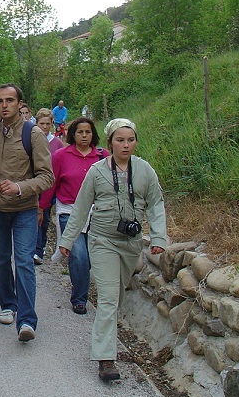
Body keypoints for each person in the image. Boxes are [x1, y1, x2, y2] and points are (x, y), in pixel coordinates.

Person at [58, 118, 166, 381]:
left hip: (130, 244)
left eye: (130, 140)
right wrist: (67, 240)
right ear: (110, 143)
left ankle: (106, 345)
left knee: (115, 297)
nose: (125, 145)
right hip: (102, 241)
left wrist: (159, 237)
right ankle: (106, 358)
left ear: (135, 142)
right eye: (120, 140)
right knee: (107, 299)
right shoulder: (97, 171)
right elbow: (81, 207)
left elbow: (155, 204)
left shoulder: (144, 170)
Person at [0, 84, 53, 342]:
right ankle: (7, 304)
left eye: (9, 100)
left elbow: (47, 177)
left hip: (23, 209)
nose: (3, 105)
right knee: (0, 260)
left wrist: (19, 187)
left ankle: (26, 320)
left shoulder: (33, 134)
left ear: (20, 104)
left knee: (23, 262)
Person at [40, 117, 107, 314]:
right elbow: (51, 184)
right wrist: (41, 208)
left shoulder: (102, 157)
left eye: (87, 132)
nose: (84, 136)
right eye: (80, 132)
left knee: (90, 255)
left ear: (93, 134)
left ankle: (90, 290)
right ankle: (79, 298)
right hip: (69, 211)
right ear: (73, 134)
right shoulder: (61, 156)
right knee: (78, 254)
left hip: (97, 213)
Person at [33, 108, 65, 265]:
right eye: (41, 124)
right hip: (34, 182)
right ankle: (35, 249)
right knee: (33, 216)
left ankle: (41, 245)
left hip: (49, 186)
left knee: (44, 218)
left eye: (47, 124)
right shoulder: (32, 138)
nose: (45, 127)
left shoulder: (57, 143)